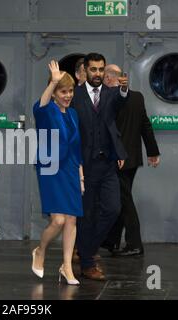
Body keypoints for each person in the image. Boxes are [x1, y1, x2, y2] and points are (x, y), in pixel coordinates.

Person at [71, 53, 128, 281]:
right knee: (86, 216)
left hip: (107, 163)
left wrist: (124, 89)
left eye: (101, 69)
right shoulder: (73, 96)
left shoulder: (112, 94)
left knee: (113, 209)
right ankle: (87, 263)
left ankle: (86, 250)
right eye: (93, 69)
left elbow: (123, 100)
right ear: (85, 70)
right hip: (83, 165)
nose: (97, 74)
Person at [31, 61, 84, 285]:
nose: (68, 95)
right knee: (59, 220)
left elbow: (76, 146)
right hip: (51, 169)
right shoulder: (47, 111)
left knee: (71, 219)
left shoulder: (73, 114)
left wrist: (81, 176)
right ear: (54, 93)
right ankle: (40, 251)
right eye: (63, 91)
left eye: (70, 91)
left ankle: (67, 267)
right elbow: (39, 107)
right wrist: (53, 81)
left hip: (71, 169)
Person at [102, 64, 161, 256]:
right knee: (120, 199)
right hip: (133, 159)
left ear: (111, 79)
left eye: (104, 77)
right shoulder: (137, 97)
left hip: (117, 158)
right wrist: (152, 151)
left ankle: (134, 244)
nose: (102, 81)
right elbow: (145, 125)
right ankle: (111, 241)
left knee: (124, 201)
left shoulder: (109, 99)